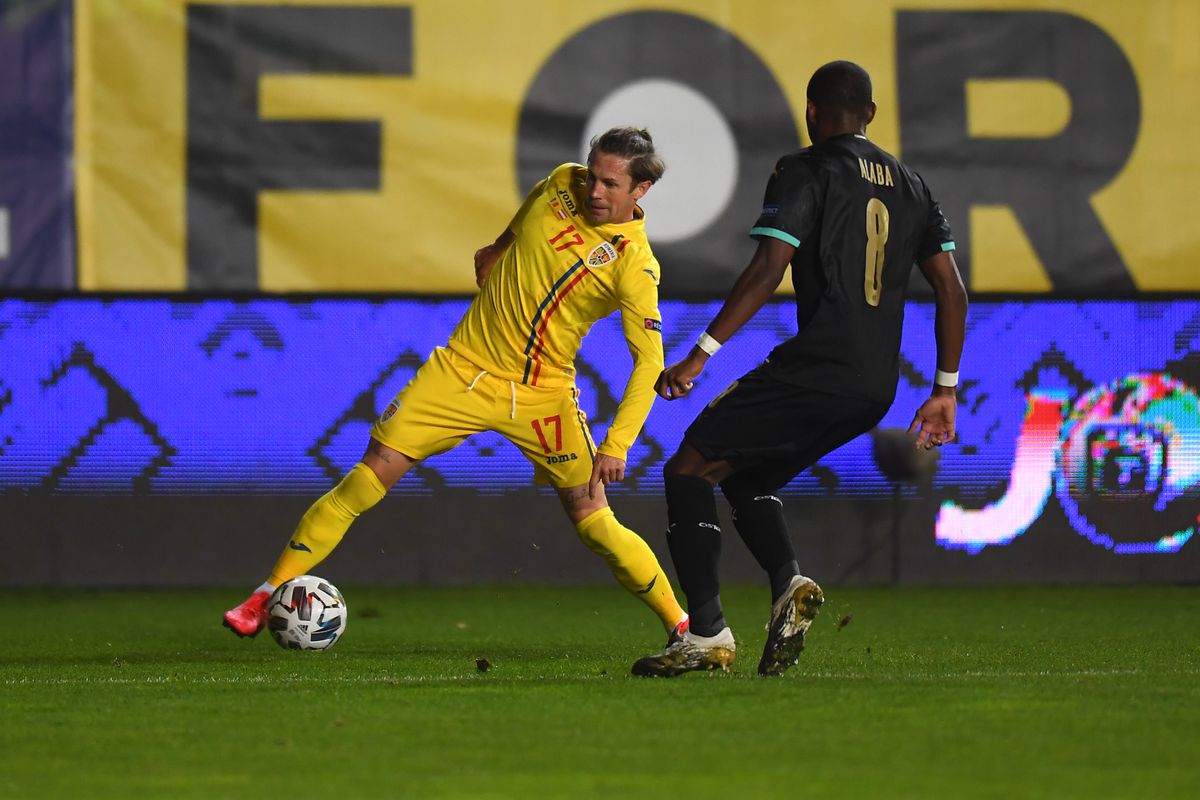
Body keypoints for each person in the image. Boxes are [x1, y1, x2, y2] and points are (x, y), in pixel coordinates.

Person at [223, 127, 689, 648]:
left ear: (639, 190)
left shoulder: (634, 266)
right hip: (461, 370)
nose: (594, 191)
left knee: (592, 516)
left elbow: (649, 362)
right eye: (592, 175)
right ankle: (265, 594)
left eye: (609, 184)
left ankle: (681, 626)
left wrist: (616, 444)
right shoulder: (564, 182)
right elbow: (536, 199)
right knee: (369, 472)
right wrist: (500, 245)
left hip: (542, 396)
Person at [631, 61, 968, 678]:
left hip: (820, 365)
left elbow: (769, 267)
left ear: (812, 112)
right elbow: (951, 290)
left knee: (686, 468)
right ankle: (788, 585)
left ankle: (706, 636)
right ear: (870, 114)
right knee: (741, 476)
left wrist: (700, 352)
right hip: (875, 387)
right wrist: (944, 390)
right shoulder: (913, 186)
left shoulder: (805, 169)